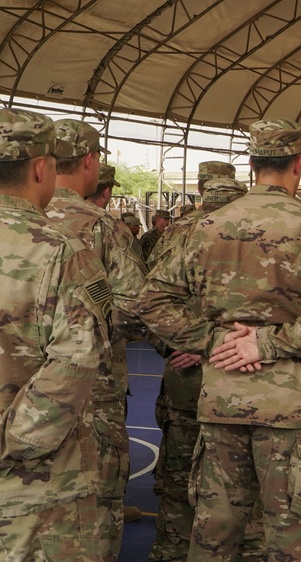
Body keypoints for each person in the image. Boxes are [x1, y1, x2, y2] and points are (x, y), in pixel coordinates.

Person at [139, 118, 301, 560]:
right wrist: (268, 344)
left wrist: (213, 340)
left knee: (215, 527)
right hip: (291, 407)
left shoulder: (207, 226)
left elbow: (152, 301)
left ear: (253, 165)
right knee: (290, 528)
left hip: (222, 398)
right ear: (299, 164)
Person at [0, 108, 109, 561]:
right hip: (33, 482)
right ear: (41, 167)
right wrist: (16, 443)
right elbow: (75, 358)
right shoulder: (59, 248)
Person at [46, 118, 147, 561]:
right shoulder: (101, 226)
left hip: (16, 388)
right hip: (93, 388)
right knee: (98, 498)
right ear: (90, 161)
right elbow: (134, 306)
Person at [145, 177, 257, 562]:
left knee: (179, 475)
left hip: (190, 377)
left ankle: (171, 550)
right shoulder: (255, 239)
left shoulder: (180, 239)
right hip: (239, 380)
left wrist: (185, 342)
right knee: (238, 479)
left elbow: (149, 301)